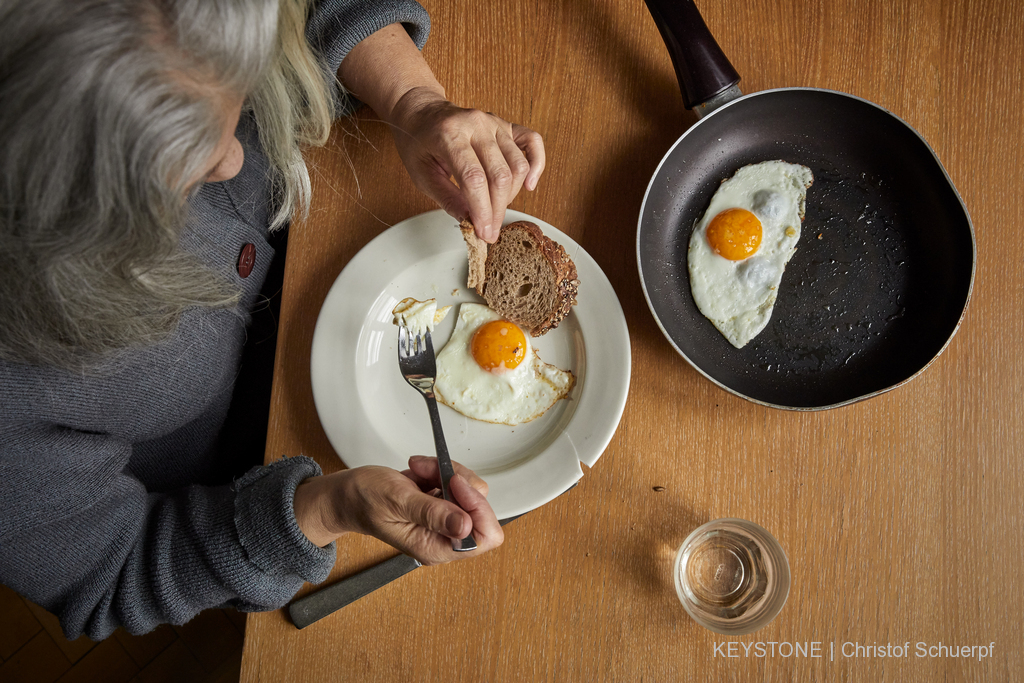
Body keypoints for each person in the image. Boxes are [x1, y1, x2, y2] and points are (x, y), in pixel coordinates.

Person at [0, 0, 545, 640]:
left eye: (236, 95)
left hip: (339, 221)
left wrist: (413, 102)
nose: (236, 162)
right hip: (249, 474)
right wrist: (325, 507)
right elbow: (113, 575)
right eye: (181, 163)